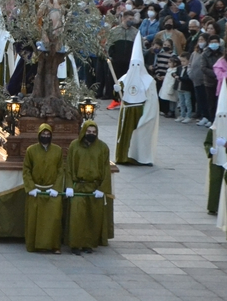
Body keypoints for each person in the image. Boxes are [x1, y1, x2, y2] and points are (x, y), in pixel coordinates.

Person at [65, 121, 112, 255]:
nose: (91, 134)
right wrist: (69, 186)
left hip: (94, 188)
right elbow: (69, 167)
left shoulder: (102, 148)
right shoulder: (74, 146)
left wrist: (102, 189)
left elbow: (106, 170)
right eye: (89, 132)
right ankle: (75, 244)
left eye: (94, 132)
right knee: (77, 217)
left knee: (92, 218)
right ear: (84, 131)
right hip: (78, 187)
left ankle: (88, 244)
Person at [114, 32, 159, 165]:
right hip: (126, 110)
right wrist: (116, 90)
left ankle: (141, 158)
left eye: (137, 65)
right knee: (125, 135)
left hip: (140, 111)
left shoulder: (148, 81)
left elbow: (152, 100)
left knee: (141, 136)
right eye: (133, 64)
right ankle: (123, 157)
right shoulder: (124, 78)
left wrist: (148, 114)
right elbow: (118, 97)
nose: (135, 68)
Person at [23, 124, 64, 253]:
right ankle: (34, 245)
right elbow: (26, 170)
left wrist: (56, 188)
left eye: (48, 134)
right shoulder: (31, 150)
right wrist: (31, 187)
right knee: (34, 220)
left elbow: (61, 171)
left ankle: (54, 246)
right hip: (36, 191)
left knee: (53, 220)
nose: (45, 137)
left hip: (52, 191)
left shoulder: (57, 150)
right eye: (43, 134)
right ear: (39, 135)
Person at [204, 81, 227, 216]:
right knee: (214, 182)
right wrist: (210, 150)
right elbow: (207, 142)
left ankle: (226, 206)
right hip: (216, 160)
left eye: (224, 116)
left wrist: (226, 145)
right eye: (220, 116)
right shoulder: (213, 129)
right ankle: (213, 206)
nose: (222, 119)